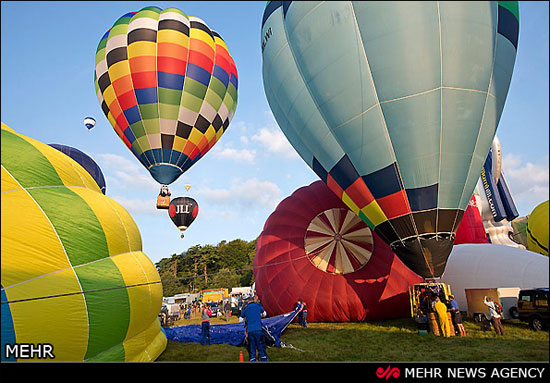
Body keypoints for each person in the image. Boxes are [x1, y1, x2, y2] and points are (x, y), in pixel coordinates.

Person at [240, 295, 268, 362]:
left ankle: (253, 358)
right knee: (259, 344)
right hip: (258, 329)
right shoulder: (258, 306)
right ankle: (263, 358)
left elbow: (240, 320)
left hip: (250, 330)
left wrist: (246, 319)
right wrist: (259, 315)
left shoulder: (246, 309)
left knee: (252, 345)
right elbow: (265, 314)